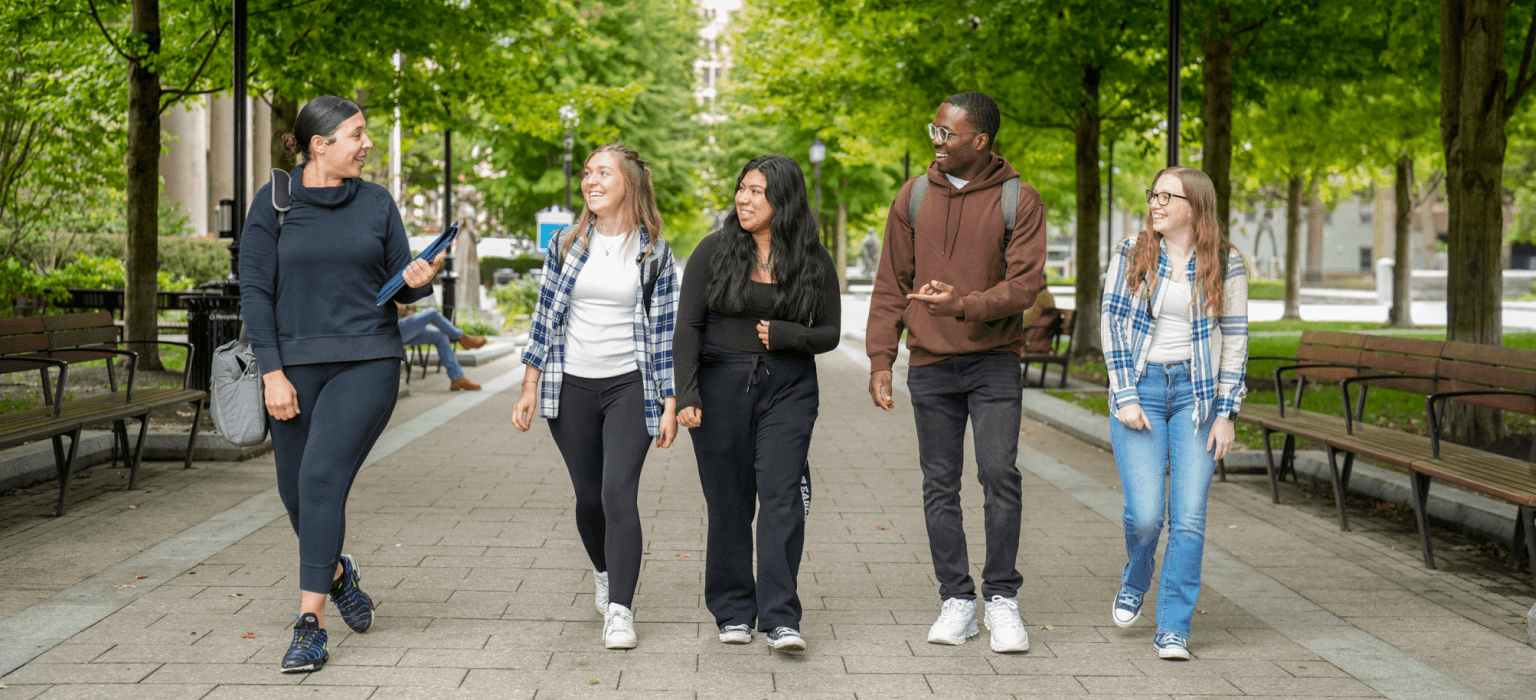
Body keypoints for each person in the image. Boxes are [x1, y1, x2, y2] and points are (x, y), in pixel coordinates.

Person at [240, 96, 444, 673]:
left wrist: (418, 280)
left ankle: (310, 626)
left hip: (367, 358)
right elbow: (255, 292)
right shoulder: (274, 203)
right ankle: (336, 575)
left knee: (322, 475)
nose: (367, 144)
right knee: (295, 494)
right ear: (319, 144)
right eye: (356, 134)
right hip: (294, 367)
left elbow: (400, 286)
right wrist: (272, 372)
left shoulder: (378, 203)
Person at [865, 92, 1046, 653]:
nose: (936, 141)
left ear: (981, 140)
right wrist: (880, 358)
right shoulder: (914, 196)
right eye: (934, 130)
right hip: (931, 363)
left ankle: (1001, 599)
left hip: (994, 361)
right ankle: (957, 599)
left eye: (947, 132)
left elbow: (1025, 285)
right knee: (939, 484)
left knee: (998, 475)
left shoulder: (1021, 199)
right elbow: (892, 281)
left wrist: (963, 303)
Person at [510, 143, 679, 650]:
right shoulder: (565, 244)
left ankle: (621, 612)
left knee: (616, 493)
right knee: (588, 498)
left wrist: (670, 401)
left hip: (631, 383)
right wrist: (528, 386)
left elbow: (667, 332)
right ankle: (604, 572)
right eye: (587, 173)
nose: (591, 181)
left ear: (628, 181)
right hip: (572, 384)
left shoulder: (654, 251)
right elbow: (544, 318)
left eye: (603, 172)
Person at [675, 154, 840, 652]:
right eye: (741, 189)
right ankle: (732, 610)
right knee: (728, 504)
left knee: (782, 496)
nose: (744, 199)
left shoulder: (812, 258)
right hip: (721, 390)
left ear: (783, 201)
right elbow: (688, 327)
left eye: (757, 191)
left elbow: (831, 332)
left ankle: (781, 616)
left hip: (789, 390)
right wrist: (686, 393)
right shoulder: (713, 251)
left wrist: (791, 335)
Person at [1100, 167, 1248, 660]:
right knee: (1145, 516)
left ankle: (1174, 629)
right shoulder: (1132, 252)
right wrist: (1124, 394)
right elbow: (1113, 324)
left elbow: (1235, 340)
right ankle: (1137, 575)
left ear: (1195, 206)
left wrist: (1226, 412)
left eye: (1168, 195)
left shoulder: (1226, 264)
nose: (1156, 203)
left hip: (1196, 397)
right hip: (1141, 387)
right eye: (1154, 194)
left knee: (1187, 519)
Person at [396, 303, 487, 391]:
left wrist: (408, 308)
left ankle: (457, 378)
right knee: (432, 313)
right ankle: (462, 338)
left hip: (402, 327)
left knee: (440, 335)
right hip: (390, 331)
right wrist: (395, 307)